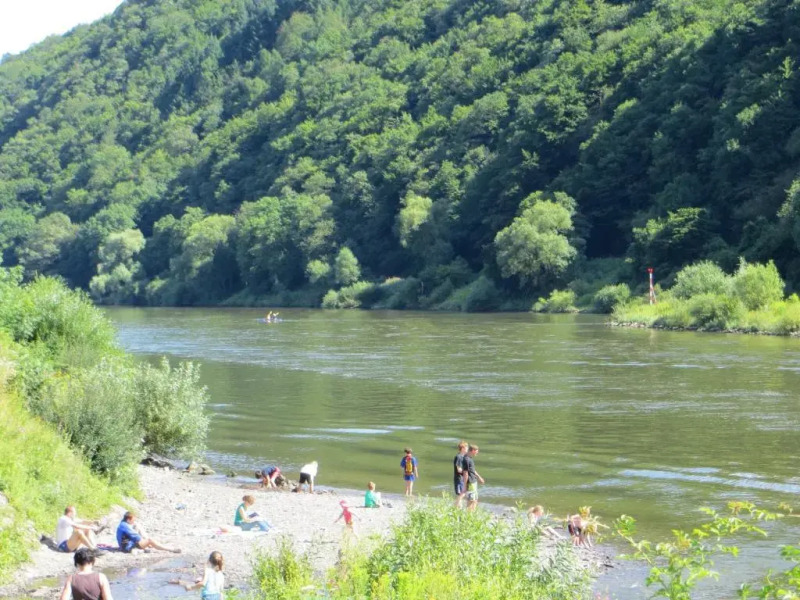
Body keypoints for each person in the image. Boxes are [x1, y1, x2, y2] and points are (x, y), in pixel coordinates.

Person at [116, 511, 180, 553]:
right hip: (127, 548)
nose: (134, 521)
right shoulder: (125, 526)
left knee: (137, 526)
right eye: (133, 520)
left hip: (125, 545)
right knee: (150, 540)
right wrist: (146, 541)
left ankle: (153, 545)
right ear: (128, 520)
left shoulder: (123, 523)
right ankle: (171, 549)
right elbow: (137, 537)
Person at [462, 444, 484, 511]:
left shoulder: (470, 459)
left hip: (473, 482)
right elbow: (465, 473)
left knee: (475, 500)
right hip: (470, 483)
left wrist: (479, 477)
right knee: (471, 501)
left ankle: (472, 515)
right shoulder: (466, 460)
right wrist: (465, 486)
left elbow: (472, 470)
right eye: (477, 451)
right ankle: (468, 517)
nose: (477, 452)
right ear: (473, 450)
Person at [453, 441, 468, 508]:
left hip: (462, 478)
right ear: (462, 448)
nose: (467, 449)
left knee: (461, 493)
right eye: (466, 447)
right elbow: (459, 469)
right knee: (461, 493)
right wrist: (466, 472)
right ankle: (455, 506)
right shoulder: (458, 457)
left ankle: (459, 508)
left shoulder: (463, 457)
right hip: (459, 478)